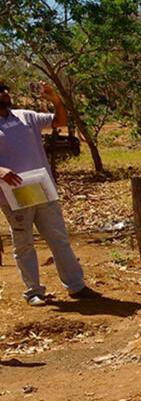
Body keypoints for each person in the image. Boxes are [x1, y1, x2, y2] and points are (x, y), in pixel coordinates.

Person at [0, 81, 99, 306]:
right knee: (24, 243)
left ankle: (76, 285)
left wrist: (54, 99)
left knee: (58, 237)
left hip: (40, 187)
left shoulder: (25, 116)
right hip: (13, 194)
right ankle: (33, 292)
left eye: (5, 89)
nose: (5, 93)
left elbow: (60, 121)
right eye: (0, 91)